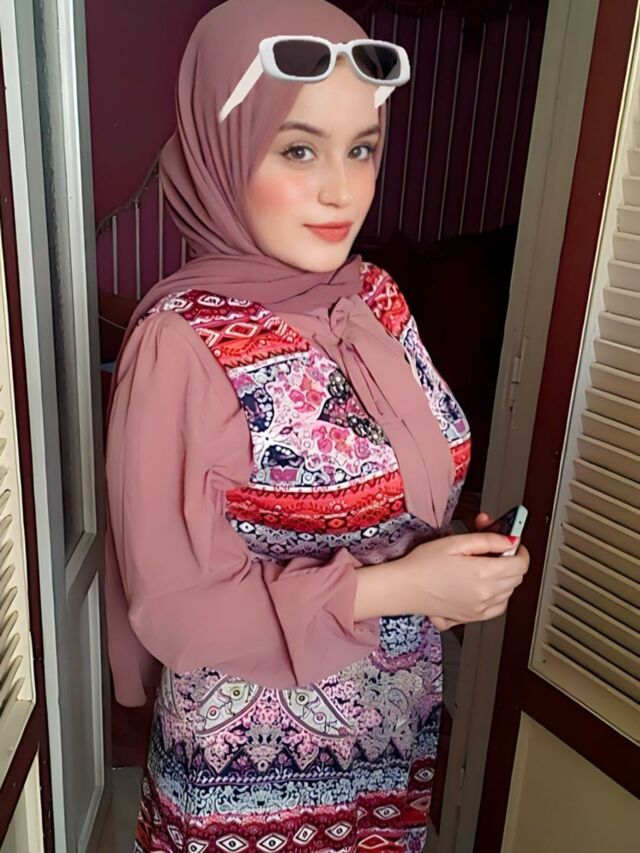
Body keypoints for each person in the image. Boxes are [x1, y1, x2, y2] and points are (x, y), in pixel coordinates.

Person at [103, 1, 530, 850]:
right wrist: (403, 589)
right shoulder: (182, 344)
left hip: (389, 738)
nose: (342, 190)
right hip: (248, 775)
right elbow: (179, 610)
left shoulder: (373, 298)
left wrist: (448, 560)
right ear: (224, 150)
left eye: (360, 148)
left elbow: (398, 493)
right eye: (299, 149)